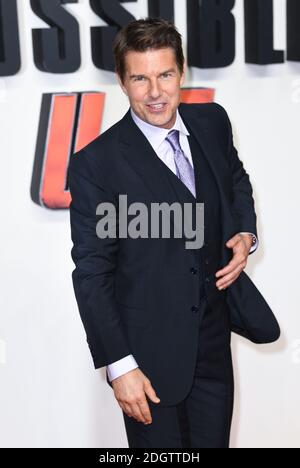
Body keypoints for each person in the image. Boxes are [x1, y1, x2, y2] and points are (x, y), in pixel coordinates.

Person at [68, 17, 280, 448]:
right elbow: (92, 273)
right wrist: (119, 366)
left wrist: (244, 232)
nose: (155, 92)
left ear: (181, 72)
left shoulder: (212, 122)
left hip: (213, 347)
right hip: (147, 360)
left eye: (165, 75)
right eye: (140, 79)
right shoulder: (97, 164)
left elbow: (235, 179)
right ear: (122, 83)